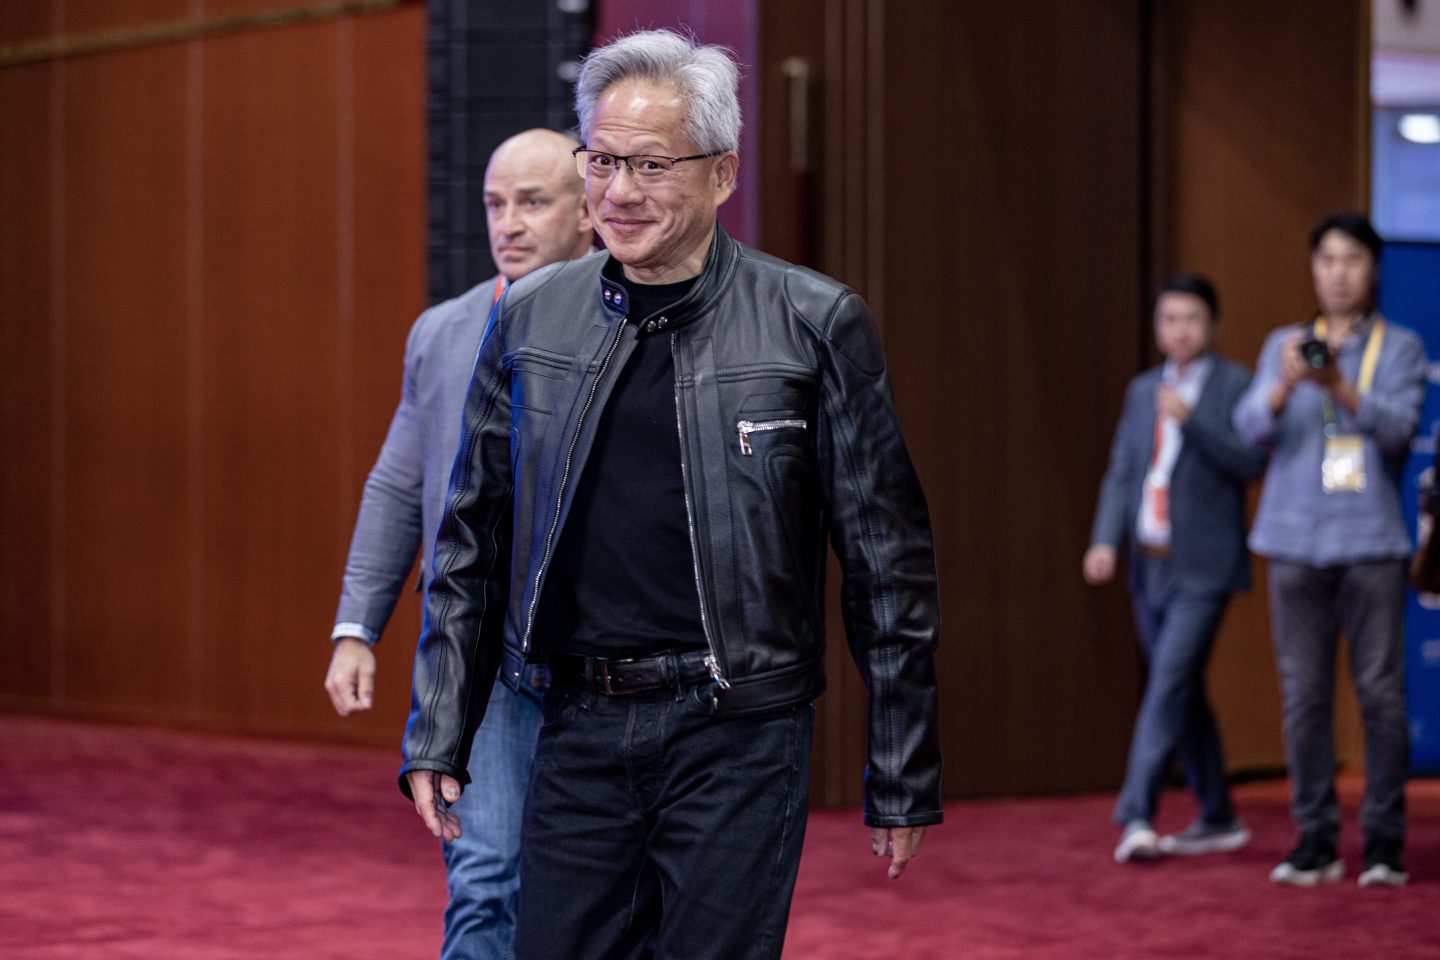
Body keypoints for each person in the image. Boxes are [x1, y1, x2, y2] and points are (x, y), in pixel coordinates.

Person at [399, 29, 943, 960]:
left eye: (651, 165)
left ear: (722, 173)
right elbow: (469, 539)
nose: (619, 192)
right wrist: (439, 727)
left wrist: (902, 770)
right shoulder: (530, 318)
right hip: (576, 724)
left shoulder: (812, 323)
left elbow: (887, 566)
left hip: (739, 732)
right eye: (602, 161)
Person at [323, 128, 595, 958]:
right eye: (494, 204)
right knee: (486, 878)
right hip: (483, 651)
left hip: (604, 655)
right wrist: (356, 628)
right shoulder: (442, 332)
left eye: (532, 202)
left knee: (602, 890)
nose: (507, 223)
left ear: (588, 211)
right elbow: (397, 484)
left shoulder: (630, 322)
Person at [1234, 211, 1427, 888]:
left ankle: (1383, 845)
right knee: (1303, 699)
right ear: (1313, 268)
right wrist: (1285, 382)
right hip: (1292, 540)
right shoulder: (1284, 344)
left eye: (1351, 260)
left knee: (1380, 696)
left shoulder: (1399, 348)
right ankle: (1314, 840)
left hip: (1370, 542)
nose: (1338, 273)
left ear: (1373, 269)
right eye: (1327, 260)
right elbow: (1249, 427)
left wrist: (1341, 386)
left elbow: (1401, 429)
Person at [1085, 273, 1268, 864]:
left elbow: (1250, 462)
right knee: (1182, 691)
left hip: (1205, 567)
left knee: (1167, 683)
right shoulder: (1142, 390)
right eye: (1169, 319)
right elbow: (1122, 473)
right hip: (1150, 565)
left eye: (1191, 319)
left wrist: (1192, 420)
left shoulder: (1238, 383)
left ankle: (1136, 815)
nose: (1180, 330)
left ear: (1213, 325)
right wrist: (1105, 541)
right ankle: (1219, 815)